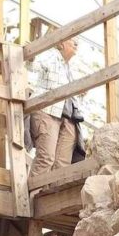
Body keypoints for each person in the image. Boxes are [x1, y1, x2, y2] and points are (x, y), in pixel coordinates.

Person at [26, 36, 85, 180]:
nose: (76, 43)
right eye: (72, 39)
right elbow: (33, 65)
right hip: (47, 112)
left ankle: (51, 195)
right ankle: (32, 196)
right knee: (46, 157)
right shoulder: (50, 56)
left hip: (64, 116)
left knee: (61, 162)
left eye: (77, 41)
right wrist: (30, 55)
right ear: (61, 43)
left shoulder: (68, 67)